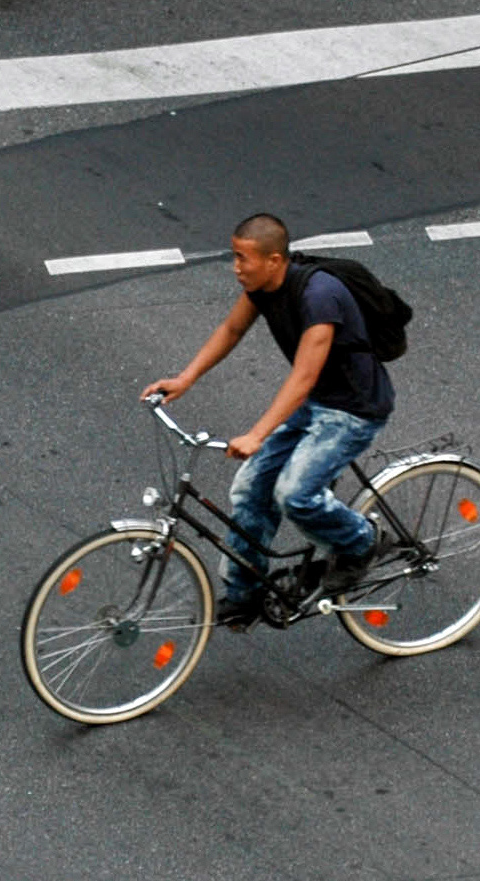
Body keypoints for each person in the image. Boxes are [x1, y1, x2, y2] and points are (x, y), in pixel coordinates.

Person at [141, 213, 394, 630]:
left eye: (243, 258)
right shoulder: (261, 288)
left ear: (275, 260)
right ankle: (245, 595)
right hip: (315, 402)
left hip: (352, 410)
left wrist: (258, 434)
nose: (236, 267)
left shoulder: (320, 296)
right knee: (249, 488)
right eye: (234, 257)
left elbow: (305, 375)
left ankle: (363, 543)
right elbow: (232, 328)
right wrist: (185, 378)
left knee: (295, 495)